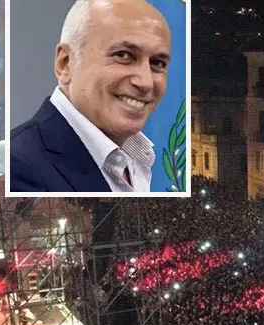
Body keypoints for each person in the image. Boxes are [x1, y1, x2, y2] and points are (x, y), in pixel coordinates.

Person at [9, 0, 171, 192]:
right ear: (65, 63)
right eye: (123, 55)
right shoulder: (18, 167)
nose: (146, 82)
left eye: (158, 63)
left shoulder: (137, 156)